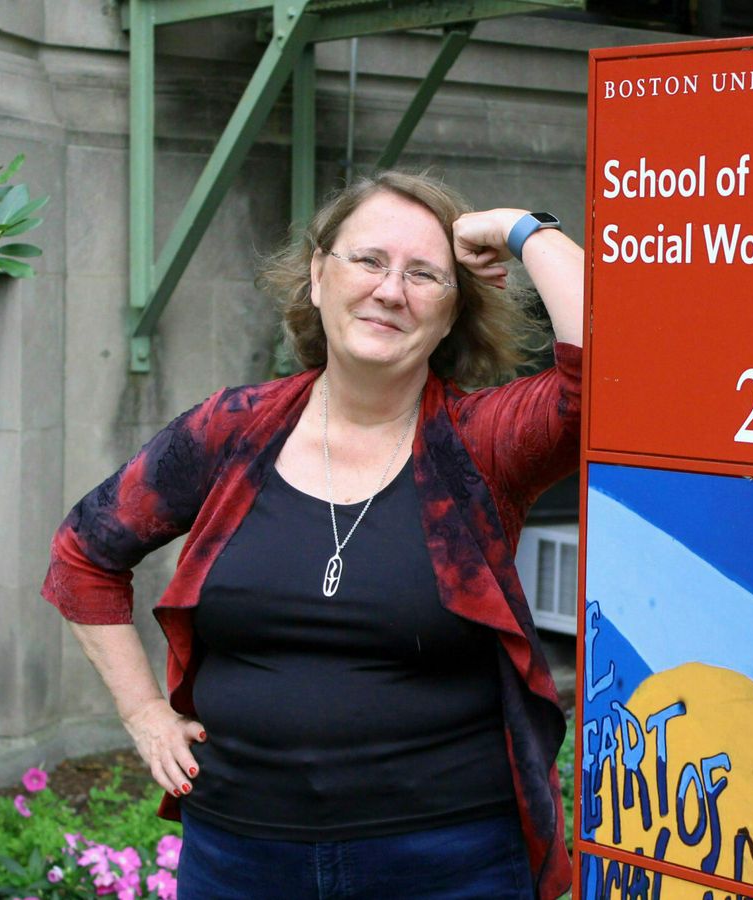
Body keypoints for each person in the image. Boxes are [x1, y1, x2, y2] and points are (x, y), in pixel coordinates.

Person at [42, 171, 583, 899]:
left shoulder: (483, 443)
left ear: (452, 315)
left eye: (425, 274)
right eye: (368, 261)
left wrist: (524, 229)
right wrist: (144, 714)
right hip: (239, 858)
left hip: (448, 862)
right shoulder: (230, 431)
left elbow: (614, 377)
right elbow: (84, 553)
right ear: (318, 276)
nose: (391, 291)